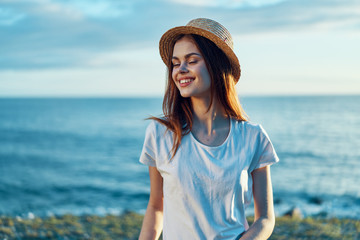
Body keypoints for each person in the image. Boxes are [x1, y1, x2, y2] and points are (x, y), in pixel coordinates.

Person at [138, 18, 279, 240]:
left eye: (192, 60)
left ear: (217, 65)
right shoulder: (160, 133)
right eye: (175, 63)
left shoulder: (253, 137)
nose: (181, 69)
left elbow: (265, 219)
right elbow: (156, 207)